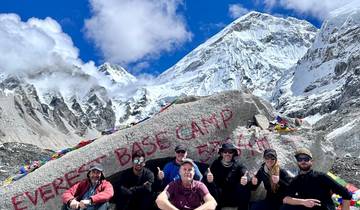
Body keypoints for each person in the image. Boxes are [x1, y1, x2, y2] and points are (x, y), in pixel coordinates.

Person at [281, 148, 352, 210]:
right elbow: (286, 199)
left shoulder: (321, 177)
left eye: (306, 159)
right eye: (300, 159)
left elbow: (346, 194)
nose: (303, 161)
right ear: (297, 162)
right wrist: (303, 202)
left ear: (311, 161)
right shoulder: (296, 180)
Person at [204, 143, 251, 210]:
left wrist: (246, 179)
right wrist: (208, 178)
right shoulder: (216, 163)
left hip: (233, 196)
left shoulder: (237, 164)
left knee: (245, 187)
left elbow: (245, 172)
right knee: (210, 184)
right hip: (219, 197)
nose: (227, 154)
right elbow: (208, 173)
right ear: (221, 153)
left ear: (233, 153)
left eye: (230, 152)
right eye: (225, 152)